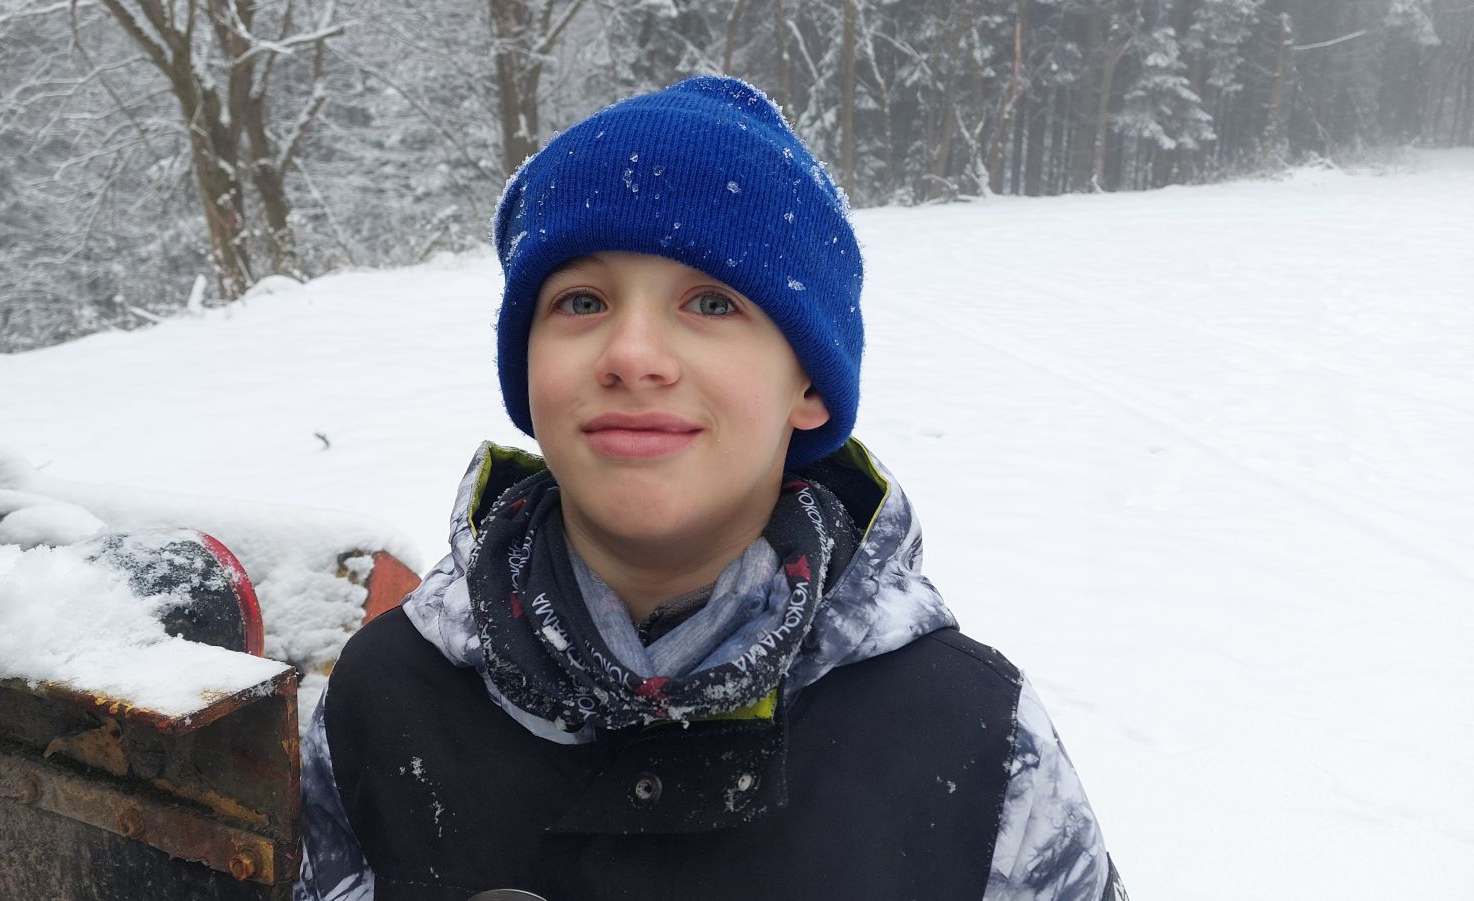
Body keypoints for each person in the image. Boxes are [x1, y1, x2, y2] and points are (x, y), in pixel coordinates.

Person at [296, 76, 1122, 901]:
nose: (632, 355)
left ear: (810, 383)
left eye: (711, 302)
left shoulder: (974, 741)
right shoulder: (384, 697)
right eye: (581, 300)